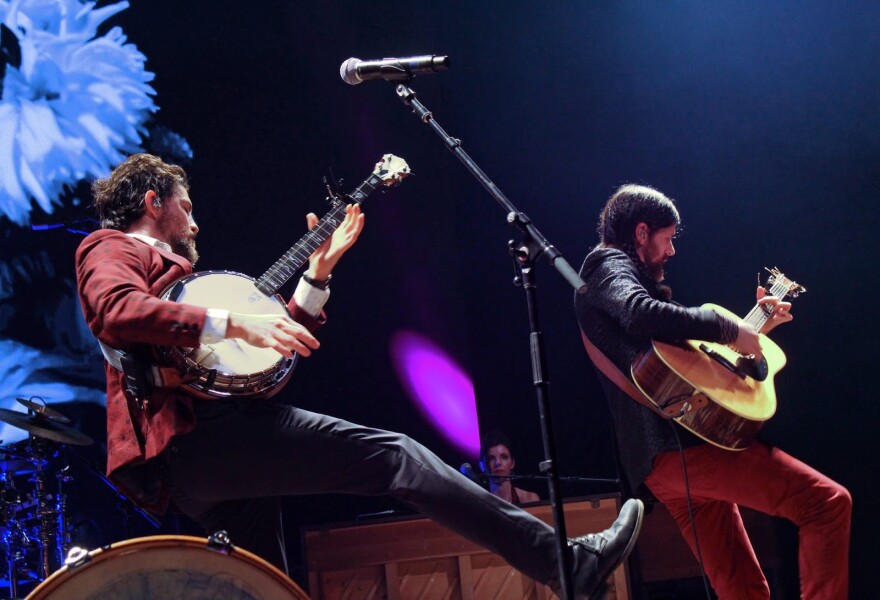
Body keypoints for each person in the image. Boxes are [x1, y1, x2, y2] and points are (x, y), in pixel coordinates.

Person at [75, 153, 644, 599]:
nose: (194, 222)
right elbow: (114, 311)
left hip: (207, 450)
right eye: (186, 207)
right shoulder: (111, 247)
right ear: (154, 202)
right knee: (396, 458)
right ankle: (568, 564)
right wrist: (236, 325)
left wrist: (315, 279)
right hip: (199, 438)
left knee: (264, 585)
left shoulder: (179, 286)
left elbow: (267, 356)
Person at [575, 184, 851, 599]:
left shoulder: (616, 279)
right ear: (641, 233)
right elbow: (639, 312)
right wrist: (725, 328)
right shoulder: (606, 265)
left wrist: (754, 332)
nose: (671, 252)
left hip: (666, 464)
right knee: (827, 504)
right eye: (667, 239)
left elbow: (693, 371)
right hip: (686, 446)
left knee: (742, 589)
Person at [480, 431, 540, 505]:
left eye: (504, 457)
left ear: (512, 463)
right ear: (482, 465)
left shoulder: (529, 499)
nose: (498, 463)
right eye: (491, 458)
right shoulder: (479, 504)